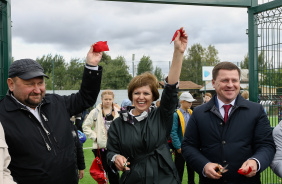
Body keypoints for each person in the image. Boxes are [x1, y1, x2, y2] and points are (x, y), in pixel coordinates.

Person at [0, 43, 103, 184]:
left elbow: (85, 99)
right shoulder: (3, 115)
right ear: (11, 84)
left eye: (40, 83)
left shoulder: (56, 102)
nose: (37, 90)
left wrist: (91, 65)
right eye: (29, 84)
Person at [106, 27, 188, 184]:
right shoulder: (118, 123)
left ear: (154, 97)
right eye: (136, 93)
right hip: (134, 178)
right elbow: (111, 151)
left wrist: (178, 52)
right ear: (131, 96)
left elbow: (170, 89)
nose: (141, 97)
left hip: (164, 177)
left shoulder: (161, 116)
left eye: (146, 93)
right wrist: (116, 158)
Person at [181, 61, 276, 184]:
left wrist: (256, 162)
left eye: (234, 80)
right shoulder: (199, 113)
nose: (230, 85)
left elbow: (267, 145)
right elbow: (188, 146)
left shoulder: (256, 110)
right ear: (214, 83)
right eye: (225, 80)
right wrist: (204, 165)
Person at [83, 90, 120, 184]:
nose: (108, 101)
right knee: (101, 176)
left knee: (115, 175)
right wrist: (95, 137)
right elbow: (85, 126)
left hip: (115, 148)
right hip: (100, 148)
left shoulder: (118, 112)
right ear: (101, 99)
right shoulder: (95, 112)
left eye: (110, 99)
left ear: (113, 99)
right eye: (106, 99)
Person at [171, 92, 195, 184]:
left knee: (191, 170)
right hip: (181, 148)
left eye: (191, 102)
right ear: (182, 101)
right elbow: (173, 132)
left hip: (191, 147)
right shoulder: (175, 114)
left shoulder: (191, 113)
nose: (190, 103)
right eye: (188, 102)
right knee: (179, 171)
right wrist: (178, 147)